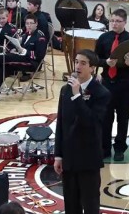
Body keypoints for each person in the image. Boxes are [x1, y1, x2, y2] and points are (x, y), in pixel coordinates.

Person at [54, 49, 110, 214]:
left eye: (83, 63)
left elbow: (91, 122)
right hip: (69, 158)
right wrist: (58, 155)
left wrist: (77, 96)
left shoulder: (102, 93)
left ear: (92, 67)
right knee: (71, 205)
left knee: (90, 204)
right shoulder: (65, 90)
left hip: (88, 158)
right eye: (76, 61)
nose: (78, 66)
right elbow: (61, 123)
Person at [94, 8, 129, 161]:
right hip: (106, 84)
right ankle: (104, 148)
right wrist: (105, 63)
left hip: (124, 84)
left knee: (123, 118)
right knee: (106, 117)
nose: (114, 24)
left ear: (125, 22)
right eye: (112, 21)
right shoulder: (103, 38)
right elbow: (95, 59)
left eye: (117, 21)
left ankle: (120, 148)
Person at [0, 13, 47, 103]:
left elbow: (39, 56)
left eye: (31, 23)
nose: (29, 26)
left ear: (36, 24)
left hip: (32, 63)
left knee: (6, 58)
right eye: (27, 23)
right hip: (22, 59)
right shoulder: (25, 35)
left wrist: (23, 51)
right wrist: (16, 49)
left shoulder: (40, 37)